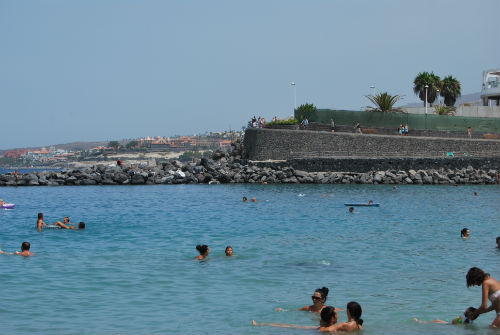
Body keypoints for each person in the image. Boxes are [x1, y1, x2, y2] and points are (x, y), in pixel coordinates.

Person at [252, 305, 337, 330]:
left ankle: (261, 324)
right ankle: (261, 324)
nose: (337, 315)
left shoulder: (324, 328)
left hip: (316, 328)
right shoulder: (335, 327)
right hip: (317, 328)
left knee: (291, 326)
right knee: (290, 326)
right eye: (336, 314)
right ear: (332, 318)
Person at [413, 307, 478, 325]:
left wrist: (456, 318)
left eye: (465, 311)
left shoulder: (462, 318)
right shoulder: (470, 321)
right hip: (452, 326)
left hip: (449, 325)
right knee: (437, 320)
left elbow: (453, 322)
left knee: (436, 320)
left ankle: (420, 322)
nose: (464, 311)